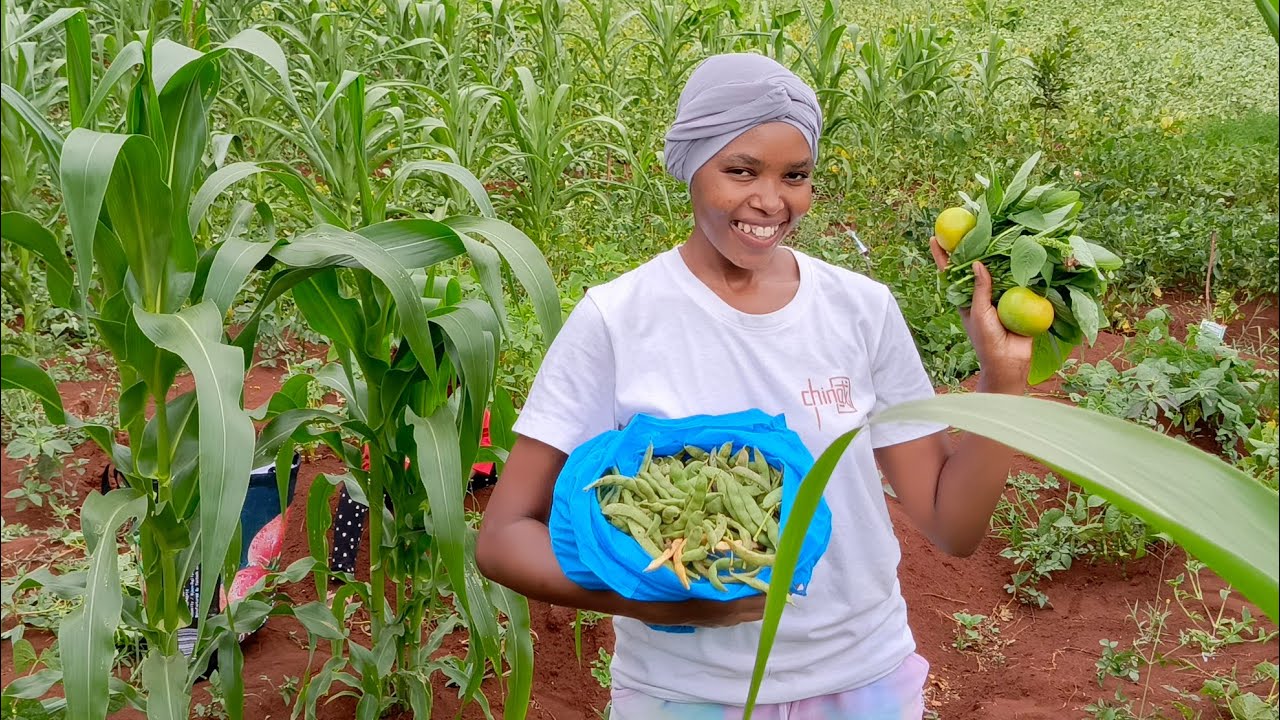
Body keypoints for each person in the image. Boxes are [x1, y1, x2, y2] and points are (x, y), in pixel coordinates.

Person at [475, 53, 1032, 720]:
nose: (771, 201)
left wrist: (1004, 378)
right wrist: (656, 598)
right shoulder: (619, 318)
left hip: (861, 681)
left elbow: (952, 525)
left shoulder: (859, 309)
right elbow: (504, 536)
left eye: (795, 176)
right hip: (689, 696)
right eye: (741, 171)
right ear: (691, 166)